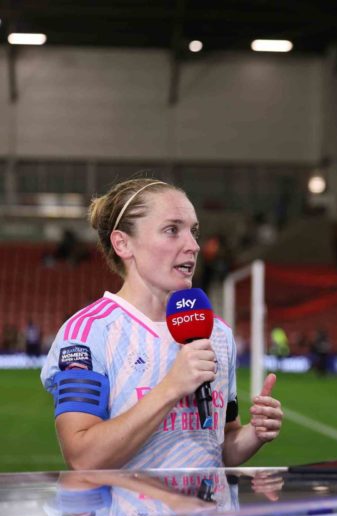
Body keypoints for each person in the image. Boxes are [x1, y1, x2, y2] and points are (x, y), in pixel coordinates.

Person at [40, 177, 283, 470]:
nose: (193, 245)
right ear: (123, 243)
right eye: (172, 230)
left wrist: (253, 434)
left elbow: (219, 448)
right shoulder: (87, 334)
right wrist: (171, 387)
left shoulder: (216, 331)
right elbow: (83, 457)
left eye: (193, 231)